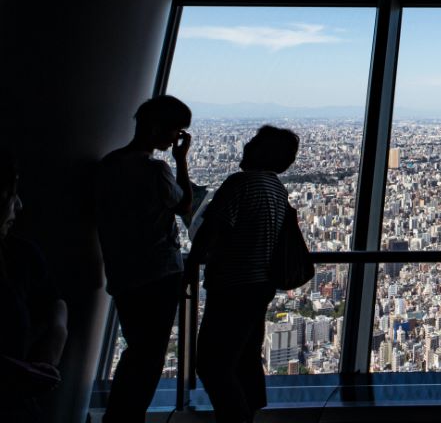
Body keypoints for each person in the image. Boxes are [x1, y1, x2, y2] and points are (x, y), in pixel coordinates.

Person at [188, 125, 297, 423]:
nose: (246, 145)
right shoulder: (277, 187)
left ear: (264, 151)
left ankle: (234, 419)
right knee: (245, 360)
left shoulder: (240, 183)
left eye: (254, 142)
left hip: (232, 286)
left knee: (213, 364)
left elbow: (211, 231)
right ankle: (247, 414)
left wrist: (190, 268)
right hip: (260, 286)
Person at [96, 95, 193, 423]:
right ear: (155, 129)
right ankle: (126, 417)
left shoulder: (108, 164)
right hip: (159, 273)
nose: (174, 138)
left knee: (136, 349)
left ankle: (120, 416)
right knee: (149, 357)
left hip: (123, 273)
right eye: (174, 131)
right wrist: (181, 160)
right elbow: (185, 206)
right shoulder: (155, 169)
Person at [0, 152, 69, 422]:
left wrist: (56, 336)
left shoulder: (20, 254)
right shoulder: (18, 254)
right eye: (9, 195)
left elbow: (55, 302)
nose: (18, 205)